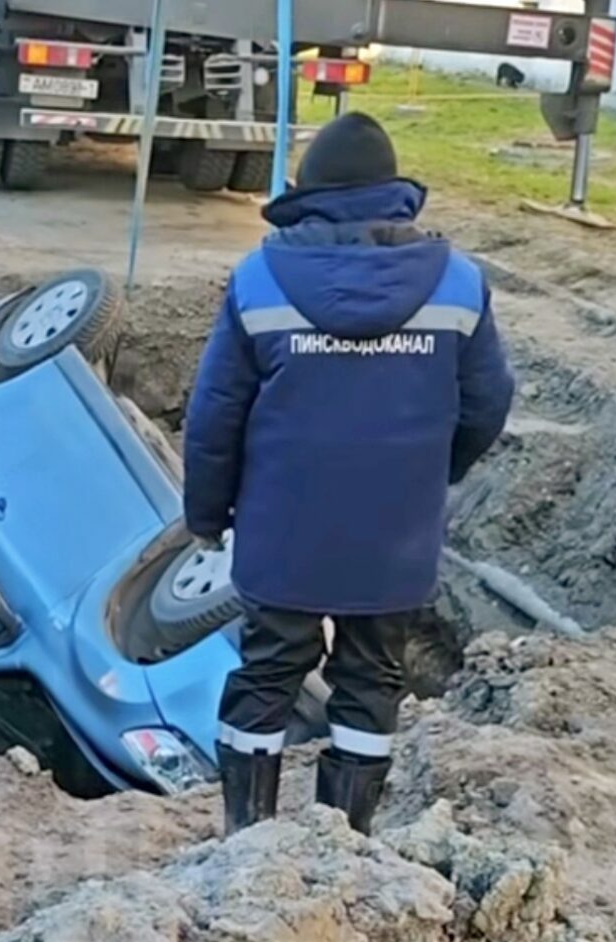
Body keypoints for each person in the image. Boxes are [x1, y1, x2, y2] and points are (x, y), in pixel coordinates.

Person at [184, 112, 514, 838]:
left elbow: (216, 416)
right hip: (394, 534)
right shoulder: (458, 284)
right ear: (392, 193)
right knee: (371, 678)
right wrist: (431, 471)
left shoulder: (260, 278)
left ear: (309, 192)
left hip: (282, 530)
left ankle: (248, 838)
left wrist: (207, 515)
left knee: (267, 672)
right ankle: (344, 845)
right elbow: (489, 403)